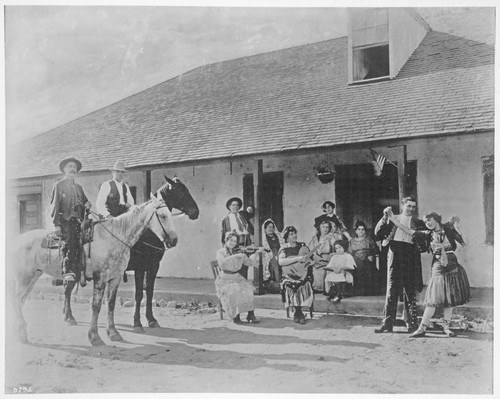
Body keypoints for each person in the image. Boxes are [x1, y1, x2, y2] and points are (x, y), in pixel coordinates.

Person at [387, 212, 471, 338]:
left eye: (429, 220)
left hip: (452, 264)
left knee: (450, 299)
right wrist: (394, 220)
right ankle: (422, 328)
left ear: (436, 219)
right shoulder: (427, 234)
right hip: (438, 266)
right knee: (433, 299)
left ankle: (446, 327)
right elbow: (408, 230)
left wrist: (457, 225)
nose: (428, 224)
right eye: (426, 222)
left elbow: (463, 241)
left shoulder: (447, 228)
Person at [373, 197, 426, 334]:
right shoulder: (392, 218)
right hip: (395, 252)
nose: (411, 209)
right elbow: (377, 232)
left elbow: (421, 240)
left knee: (409, 289)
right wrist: (384, 217)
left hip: (410, 254)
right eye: (408, 206)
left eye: (413, 207)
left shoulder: (418, 222)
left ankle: (411, 324)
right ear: (403, 206)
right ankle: (387, 324)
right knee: (392, 289)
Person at [50, 157, 92, 283]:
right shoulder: (58, 185)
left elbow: (85, 201)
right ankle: (67, 270)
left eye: (74, 167)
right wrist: (56, 224)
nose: (72, 169)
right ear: (64, 169)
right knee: (70, 239)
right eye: (69, 166)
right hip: (64, 219)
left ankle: (83, 271)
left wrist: (88, 204)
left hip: (77, 220)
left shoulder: (78, 187)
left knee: (89, 238)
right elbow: (54, 205)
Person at [215, 232, 264, 324]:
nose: (233, 243)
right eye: (231, 240)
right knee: (234, 290)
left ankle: (250, 315)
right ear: (226, 240)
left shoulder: (238, 252)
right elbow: (222, 264)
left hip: (236, 277)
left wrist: (256, 253)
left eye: (235, 241)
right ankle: (235, 316)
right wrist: (235, 256)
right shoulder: (220, 252)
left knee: (248, 288)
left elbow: (249, 262)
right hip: (225, 279)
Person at [278, 226, 314, 324]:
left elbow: (309, 260)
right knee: (291, 285)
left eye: (295, 233)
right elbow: (281, 262)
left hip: (302, 273)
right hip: (288, 275)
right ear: (286, 237)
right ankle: (298, 312)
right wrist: (297, 259)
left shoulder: (302, 246)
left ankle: (298, 312)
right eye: (291, 234)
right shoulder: (284, 249)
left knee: (303, 284)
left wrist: (308, 261)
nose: (294, 236)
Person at [349, 220, 379, 296]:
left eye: (363, 229)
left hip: (367, 260)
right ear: (356, 231)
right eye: (359, 229)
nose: (361, 231)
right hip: (356, 261)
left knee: (365, 266)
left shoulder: (369, 240)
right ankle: (358, 291)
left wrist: (372, 255)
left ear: (365, 231)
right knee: (357, 263)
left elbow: (376, 250)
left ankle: (366, 291)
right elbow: (349, 253)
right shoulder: (352, 241)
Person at [308, 219, 335, 294]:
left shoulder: (331, 238)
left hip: (328, 261)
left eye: (327, 227)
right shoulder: (315, 238)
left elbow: (334, 250)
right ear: (319, 228)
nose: (325, 229)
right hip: (317, 261)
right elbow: (311, 251)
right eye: (323, 227)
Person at [261, 219, 284, 285]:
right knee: (274, 261)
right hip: (269, 255)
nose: (271, 229)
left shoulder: (278, 236)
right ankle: (277, 281)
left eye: (272, 227)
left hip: (279, 253)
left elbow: (283, 246)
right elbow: (264, 249)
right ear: (265, 229)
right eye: (269, 227)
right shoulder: (263, 238)